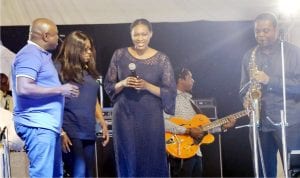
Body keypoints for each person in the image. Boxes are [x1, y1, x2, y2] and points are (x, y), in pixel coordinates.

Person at [104, 18, 176, 177]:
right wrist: (122, 83)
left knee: (152, 157)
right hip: (124, 116)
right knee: (128, 158)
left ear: (151, 34)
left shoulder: (161, 59)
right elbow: (109, 86)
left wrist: (147, 86)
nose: (140, 38)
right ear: (131, 35)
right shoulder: (119, 54)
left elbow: (170, 92)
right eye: (136, 35)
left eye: (144, 34)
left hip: (151, 118)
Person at [11, 18, 79, 177]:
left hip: (46, 126)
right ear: (46, 36)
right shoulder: (30, 54)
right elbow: (23, 87)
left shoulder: (40, 55)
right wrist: (60, 89)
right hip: (37, 125)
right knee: (43, 174)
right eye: (57, 35)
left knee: (55, 174)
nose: (59, 39)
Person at [240, 13, 300, 177]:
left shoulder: (293, 53)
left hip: (290, 122)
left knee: (295, 170)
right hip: (260, 122)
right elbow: (243, 87)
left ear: (276, 29)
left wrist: (270, 80)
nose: (261, 35)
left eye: (265, 31)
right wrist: (245, 99)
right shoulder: (249, 56)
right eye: (257, 31)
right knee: (263, 171)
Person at [55, 30, 110, 177]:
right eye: (85, 49)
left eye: (90, 48)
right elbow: (51, 101)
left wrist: (102, 121)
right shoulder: (59, 69)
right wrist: (60, 131)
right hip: (70, 128)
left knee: (89, 174)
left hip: (88, 129)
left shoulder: (89, 71)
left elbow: (93, 98)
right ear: (74, 49)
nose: (89, 52)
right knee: (79, 172)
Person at [165, 68, 236, 177]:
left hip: (196, 151)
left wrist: (223, 127)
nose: (193, 80)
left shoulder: (190, 101)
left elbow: (201, 128)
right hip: (180, 151)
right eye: (190, 77)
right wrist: (187, 130)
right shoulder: (169, 98)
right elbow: (163, 123)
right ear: (180, 79)